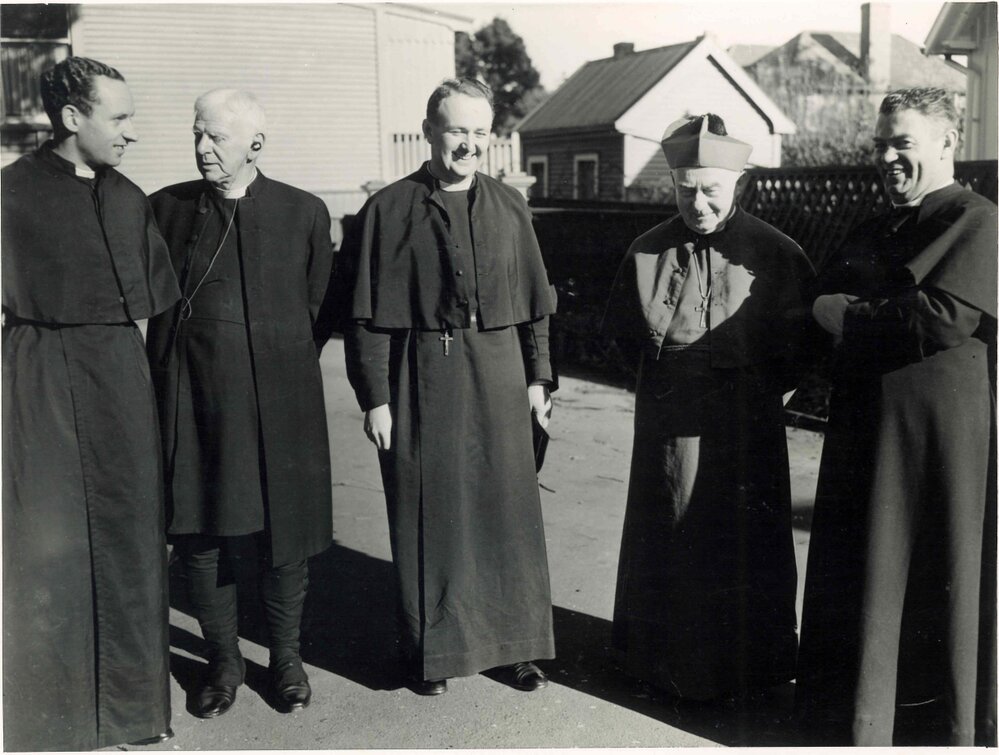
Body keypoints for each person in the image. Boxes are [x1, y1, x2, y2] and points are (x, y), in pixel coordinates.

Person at [340, 78, 557, 696]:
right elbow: (367, 317)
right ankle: (431, 652)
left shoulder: (511, 206)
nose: (469, 144)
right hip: (421, 375)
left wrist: (539, 377)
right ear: (431, 129)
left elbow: (535, 306)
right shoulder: (387, 209)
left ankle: (513, 645)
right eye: (457, 129)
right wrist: (375, 397)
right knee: (430, 510)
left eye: (480, 131)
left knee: (506, 510)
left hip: (501, 372)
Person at [795, 87, 997, 746]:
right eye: (880, 144)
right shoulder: (872, 226)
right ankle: (854, 723)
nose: (886, 157)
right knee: (862, 576)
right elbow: (815, 300)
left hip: (937, 444)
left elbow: (938, 320)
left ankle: (931, 730)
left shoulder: (975, 219)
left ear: (946, 142)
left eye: (901, 143)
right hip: (865, 431)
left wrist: (842, 314)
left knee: (930, 577)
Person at [602, 114, 814, 702]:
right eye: (685, 189)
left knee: (743, 542)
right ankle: (660, 662)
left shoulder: (776, 253)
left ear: (737, 184)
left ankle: (753, 669)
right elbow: (621, 338)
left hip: (748, 429)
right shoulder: (645, 251)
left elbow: (804, 347)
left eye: (711, 190)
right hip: (670, 431)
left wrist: (763, 395)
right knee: (669, 530)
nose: (698, 203)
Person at [1, 57, 179, 750]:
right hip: (37, 374)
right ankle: (53, 723)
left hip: (117, 377)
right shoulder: (9, 195)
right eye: (120, 118)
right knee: (48, 547)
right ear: (73, 118)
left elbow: (153, 307)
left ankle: (136, 714)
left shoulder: (130, 198)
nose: (131, 133)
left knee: (133, 539)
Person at [144, 88, 335, 717]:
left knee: (286, 537)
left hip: (283, 403)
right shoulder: (164, 209)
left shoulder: (303, 212)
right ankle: (223, 662)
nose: (202, 147)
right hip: (192, 404)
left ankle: (285, 659)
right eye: (197, 134)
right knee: (201, 535)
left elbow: (318, 308)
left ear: (255, 144)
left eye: (216, 137)